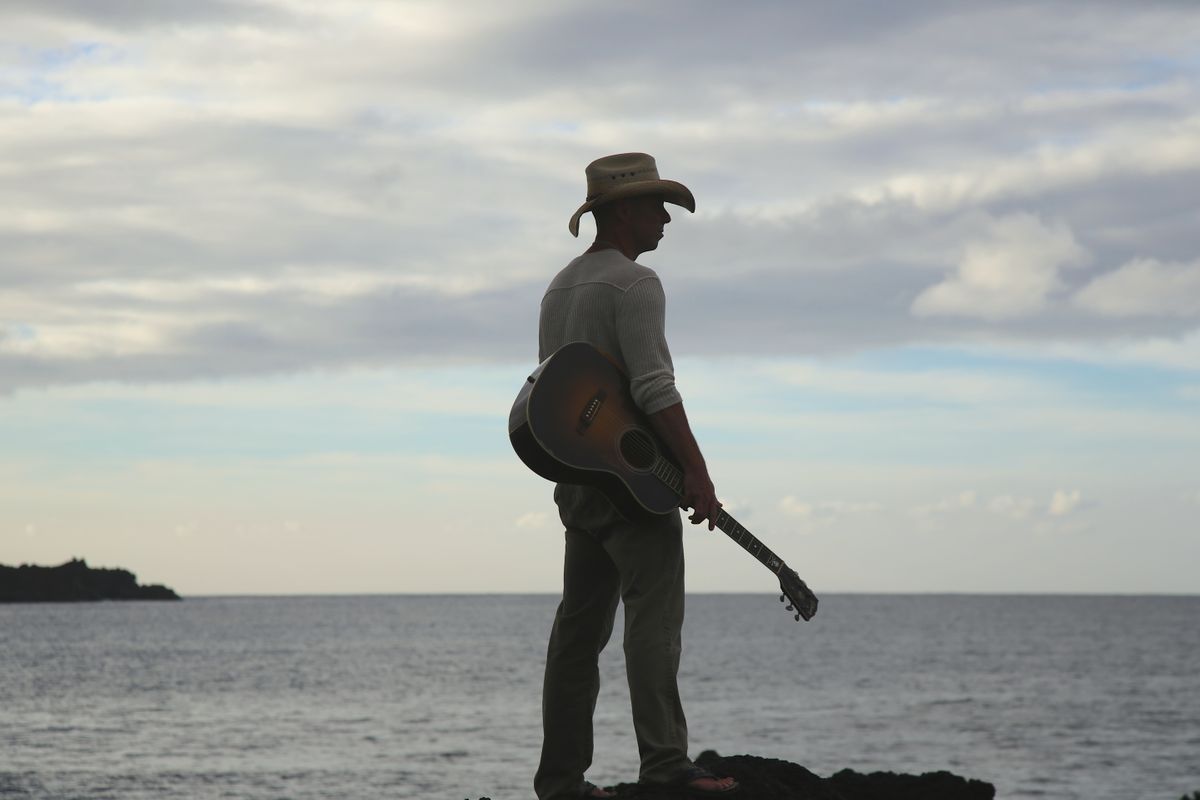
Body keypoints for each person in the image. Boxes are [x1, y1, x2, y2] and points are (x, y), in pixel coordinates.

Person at [534, 153, 739, 800]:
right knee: (653, 623)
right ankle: (666, 767)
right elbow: (654, 387)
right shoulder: (635, 283)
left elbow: (561, 397)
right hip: (636, 487)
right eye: (657, 207)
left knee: (577, 635)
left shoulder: (560, 287)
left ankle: (561, 783)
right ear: (624, 211)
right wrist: (697, 473)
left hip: (579, 487)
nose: (664, 222)